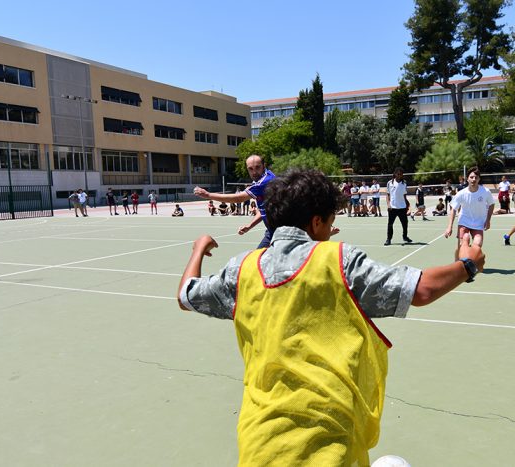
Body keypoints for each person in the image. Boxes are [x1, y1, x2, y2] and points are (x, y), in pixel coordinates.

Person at [177, 169, 486, 465]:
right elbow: (421, 290)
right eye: (328, 222)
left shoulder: (241, 268)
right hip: (329, 439)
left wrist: (198, 249)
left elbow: (185, 295)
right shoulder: (338, 260)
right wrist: (467, 265)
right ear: (316, 222)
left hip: (259, 440)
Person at [194, 155, 276, 248]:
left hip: (281, 231)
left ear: (264, 166)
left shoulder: (264, 181)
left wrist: (208, 195)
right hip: (272, 231)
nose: (254, 172)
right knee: (258, 255)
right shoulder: (262, 178)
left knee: (262, 256)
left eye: (257, 167)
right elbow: (263, 210)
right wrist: (249, 225)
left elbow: (238, 198)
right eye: (250, 169)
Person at [444, 167, 495, 260]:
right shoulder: (461, 193)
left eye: (476, 177)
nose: (473, 179)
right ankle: (457, 263)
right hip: (464, 222)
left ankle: (469, 258)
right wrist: (449, 227)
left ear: (479, 179)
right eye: (471, 177)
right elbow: (453, 209)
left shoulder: (485, 192)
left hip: (479, 223)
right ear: (467, 179)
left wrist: (488, 220)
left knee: (477, 246)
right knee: (461, 245)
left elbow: (491, 204)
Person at [384, 167, 412, 246]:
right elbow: (387, 195)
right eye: (398, 174)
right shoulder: (390, 183)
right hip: (392, 208)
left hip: (402, 207)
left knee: (405, 223)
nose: (399, 175)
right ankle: (388, 239)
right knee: (390, 224)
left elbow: (404, 196)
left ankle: (405, 236)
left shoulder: (404, 183)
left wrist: (408, 206)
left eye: (401, 174)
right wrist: (388, 204)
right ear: (395, 174)